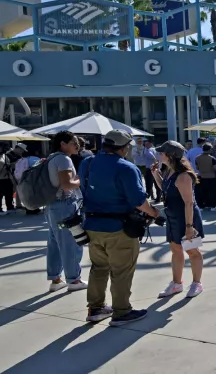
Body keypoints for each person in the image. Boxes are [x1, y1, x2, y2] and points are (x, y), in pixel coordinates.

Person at [80, 129, 161, 325]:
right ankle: (122, 311)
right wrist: (155, 213)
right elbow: (138, 201)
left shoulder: (87, 163)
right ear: (123, 148)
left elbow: (83, 188)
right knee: (121, 270)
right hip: (119, 227)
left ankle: (95, 308)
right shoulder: (126, 167)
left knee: (98, 267)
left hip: (91, 224)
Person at [151, 141, 205, 299]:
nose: (158, 155)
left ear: (170, 156)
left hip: (186, 217)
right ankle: (176, 283)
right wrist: (156, 175)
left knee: (192, 250)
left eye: (161, 153)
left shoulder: (183, 176)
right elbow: (167, 189)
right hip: (173, 216)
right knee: (175, 249)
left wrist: (189, 226)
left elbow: (188, 203)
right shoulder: (169, 171)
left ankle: (197, 283)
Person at [44, 131, 88, 293]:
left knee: (54, 243)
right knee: (71, 242)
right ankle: (73, 279)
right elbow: (67, 185)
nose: (77, 146)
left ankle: (56, 279)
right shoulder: (63, 159)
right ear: (63, 144)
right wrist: (81, 179)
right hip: (65, 204)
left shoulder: (52, 157)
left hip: (52, 205)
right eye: (73, 143)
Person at [194, 143, 216, 210]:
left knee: (202, 192)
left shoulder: (197, 158)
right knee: (212, 192)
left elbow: (197, 167)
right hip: (211, 177)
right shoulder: (212, 158)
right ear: (209, 149)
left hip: (201, 176)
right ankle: (212, 205)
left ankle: (202, 205)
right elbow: (215, 168)